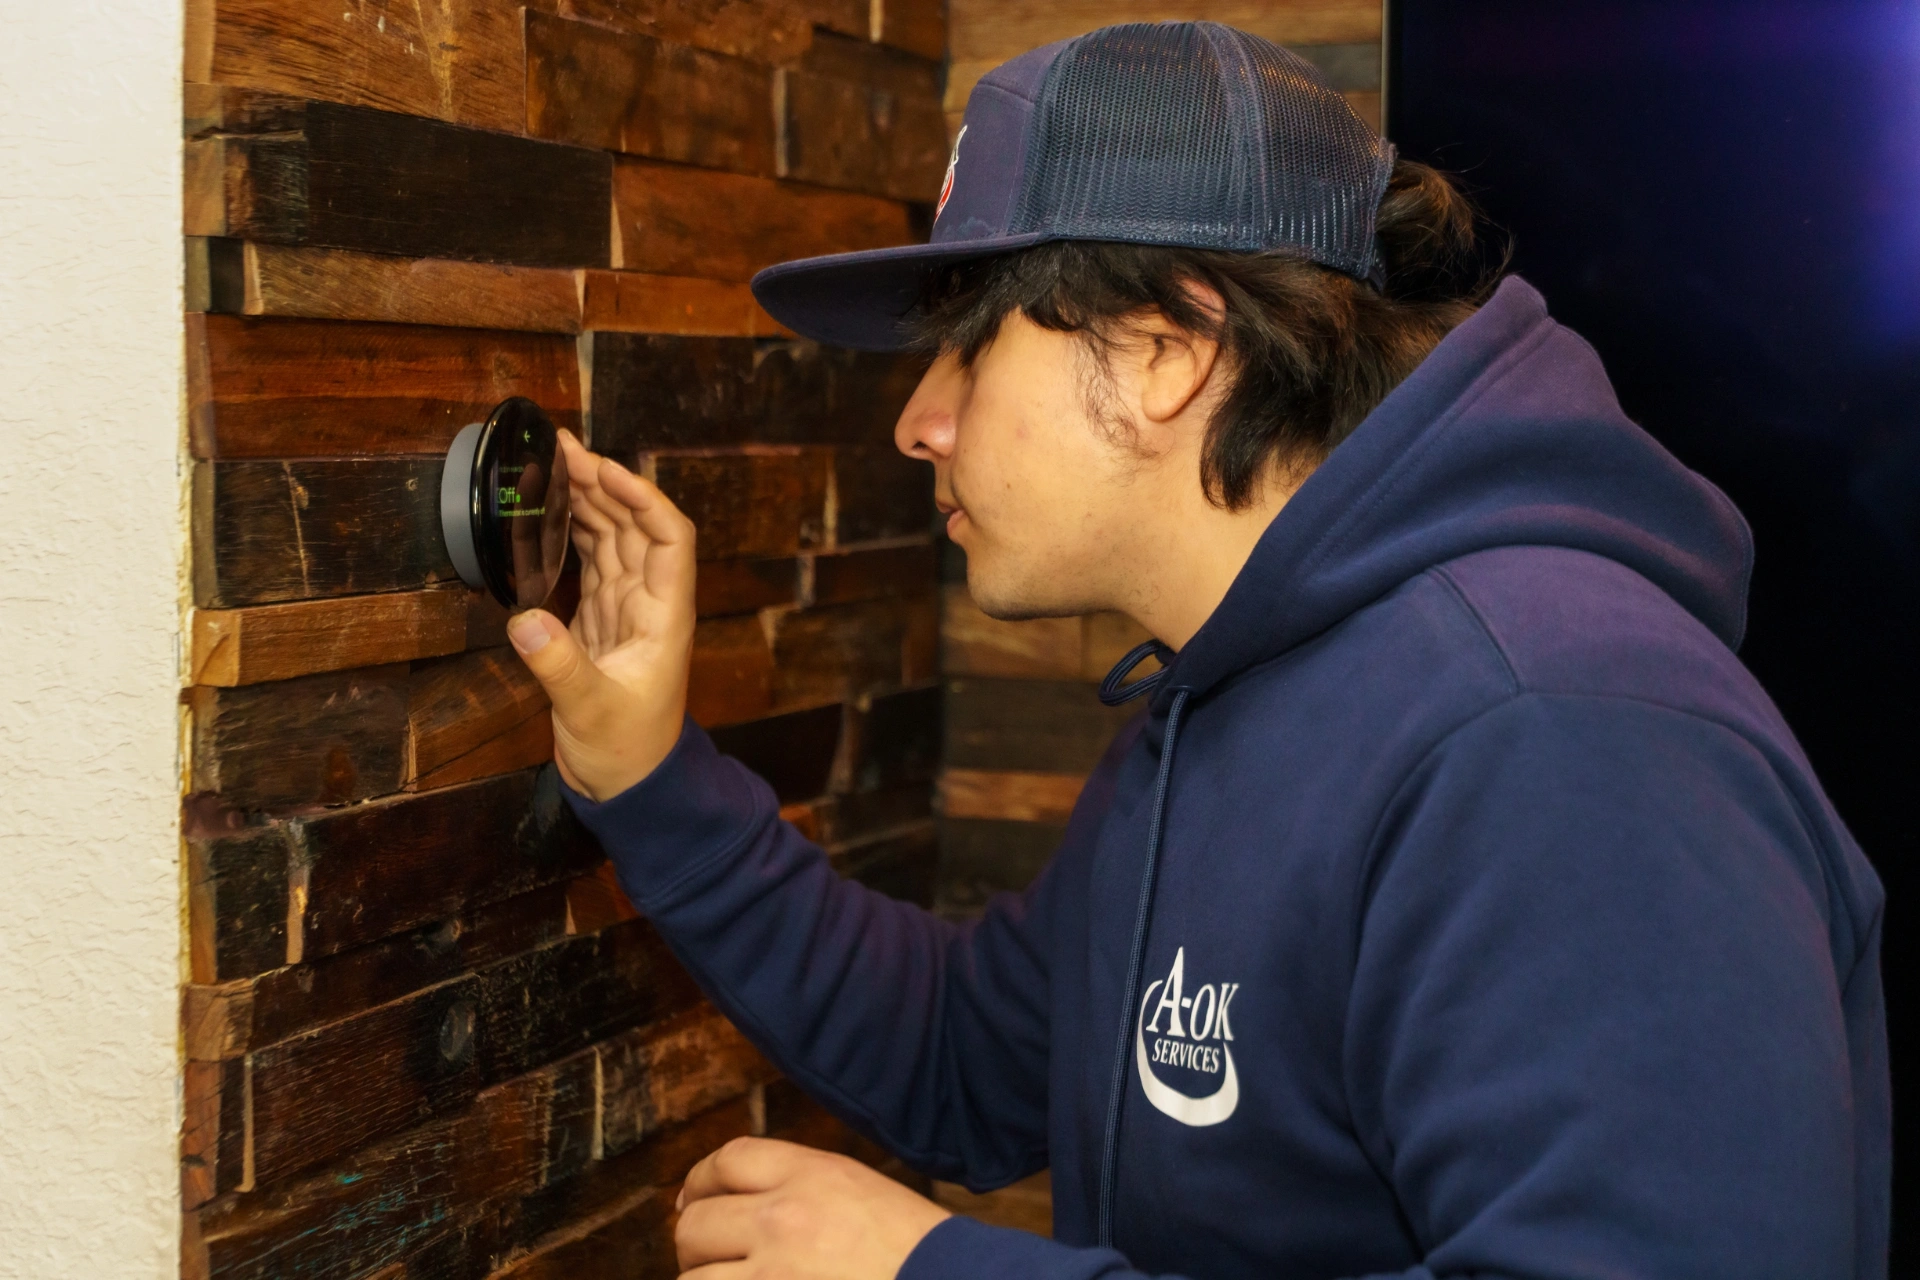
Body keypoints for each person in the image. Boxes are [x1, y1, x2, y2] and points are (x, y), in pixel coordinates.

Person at [505, 21, 1889, 1280]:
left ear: (1167, 350)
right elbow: (969, 1063)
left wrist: (939, 1276)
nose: (918, 423)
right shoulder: (1227, 696)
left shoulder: (1556, 728)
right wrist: (649, 777)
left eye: (971, 350)